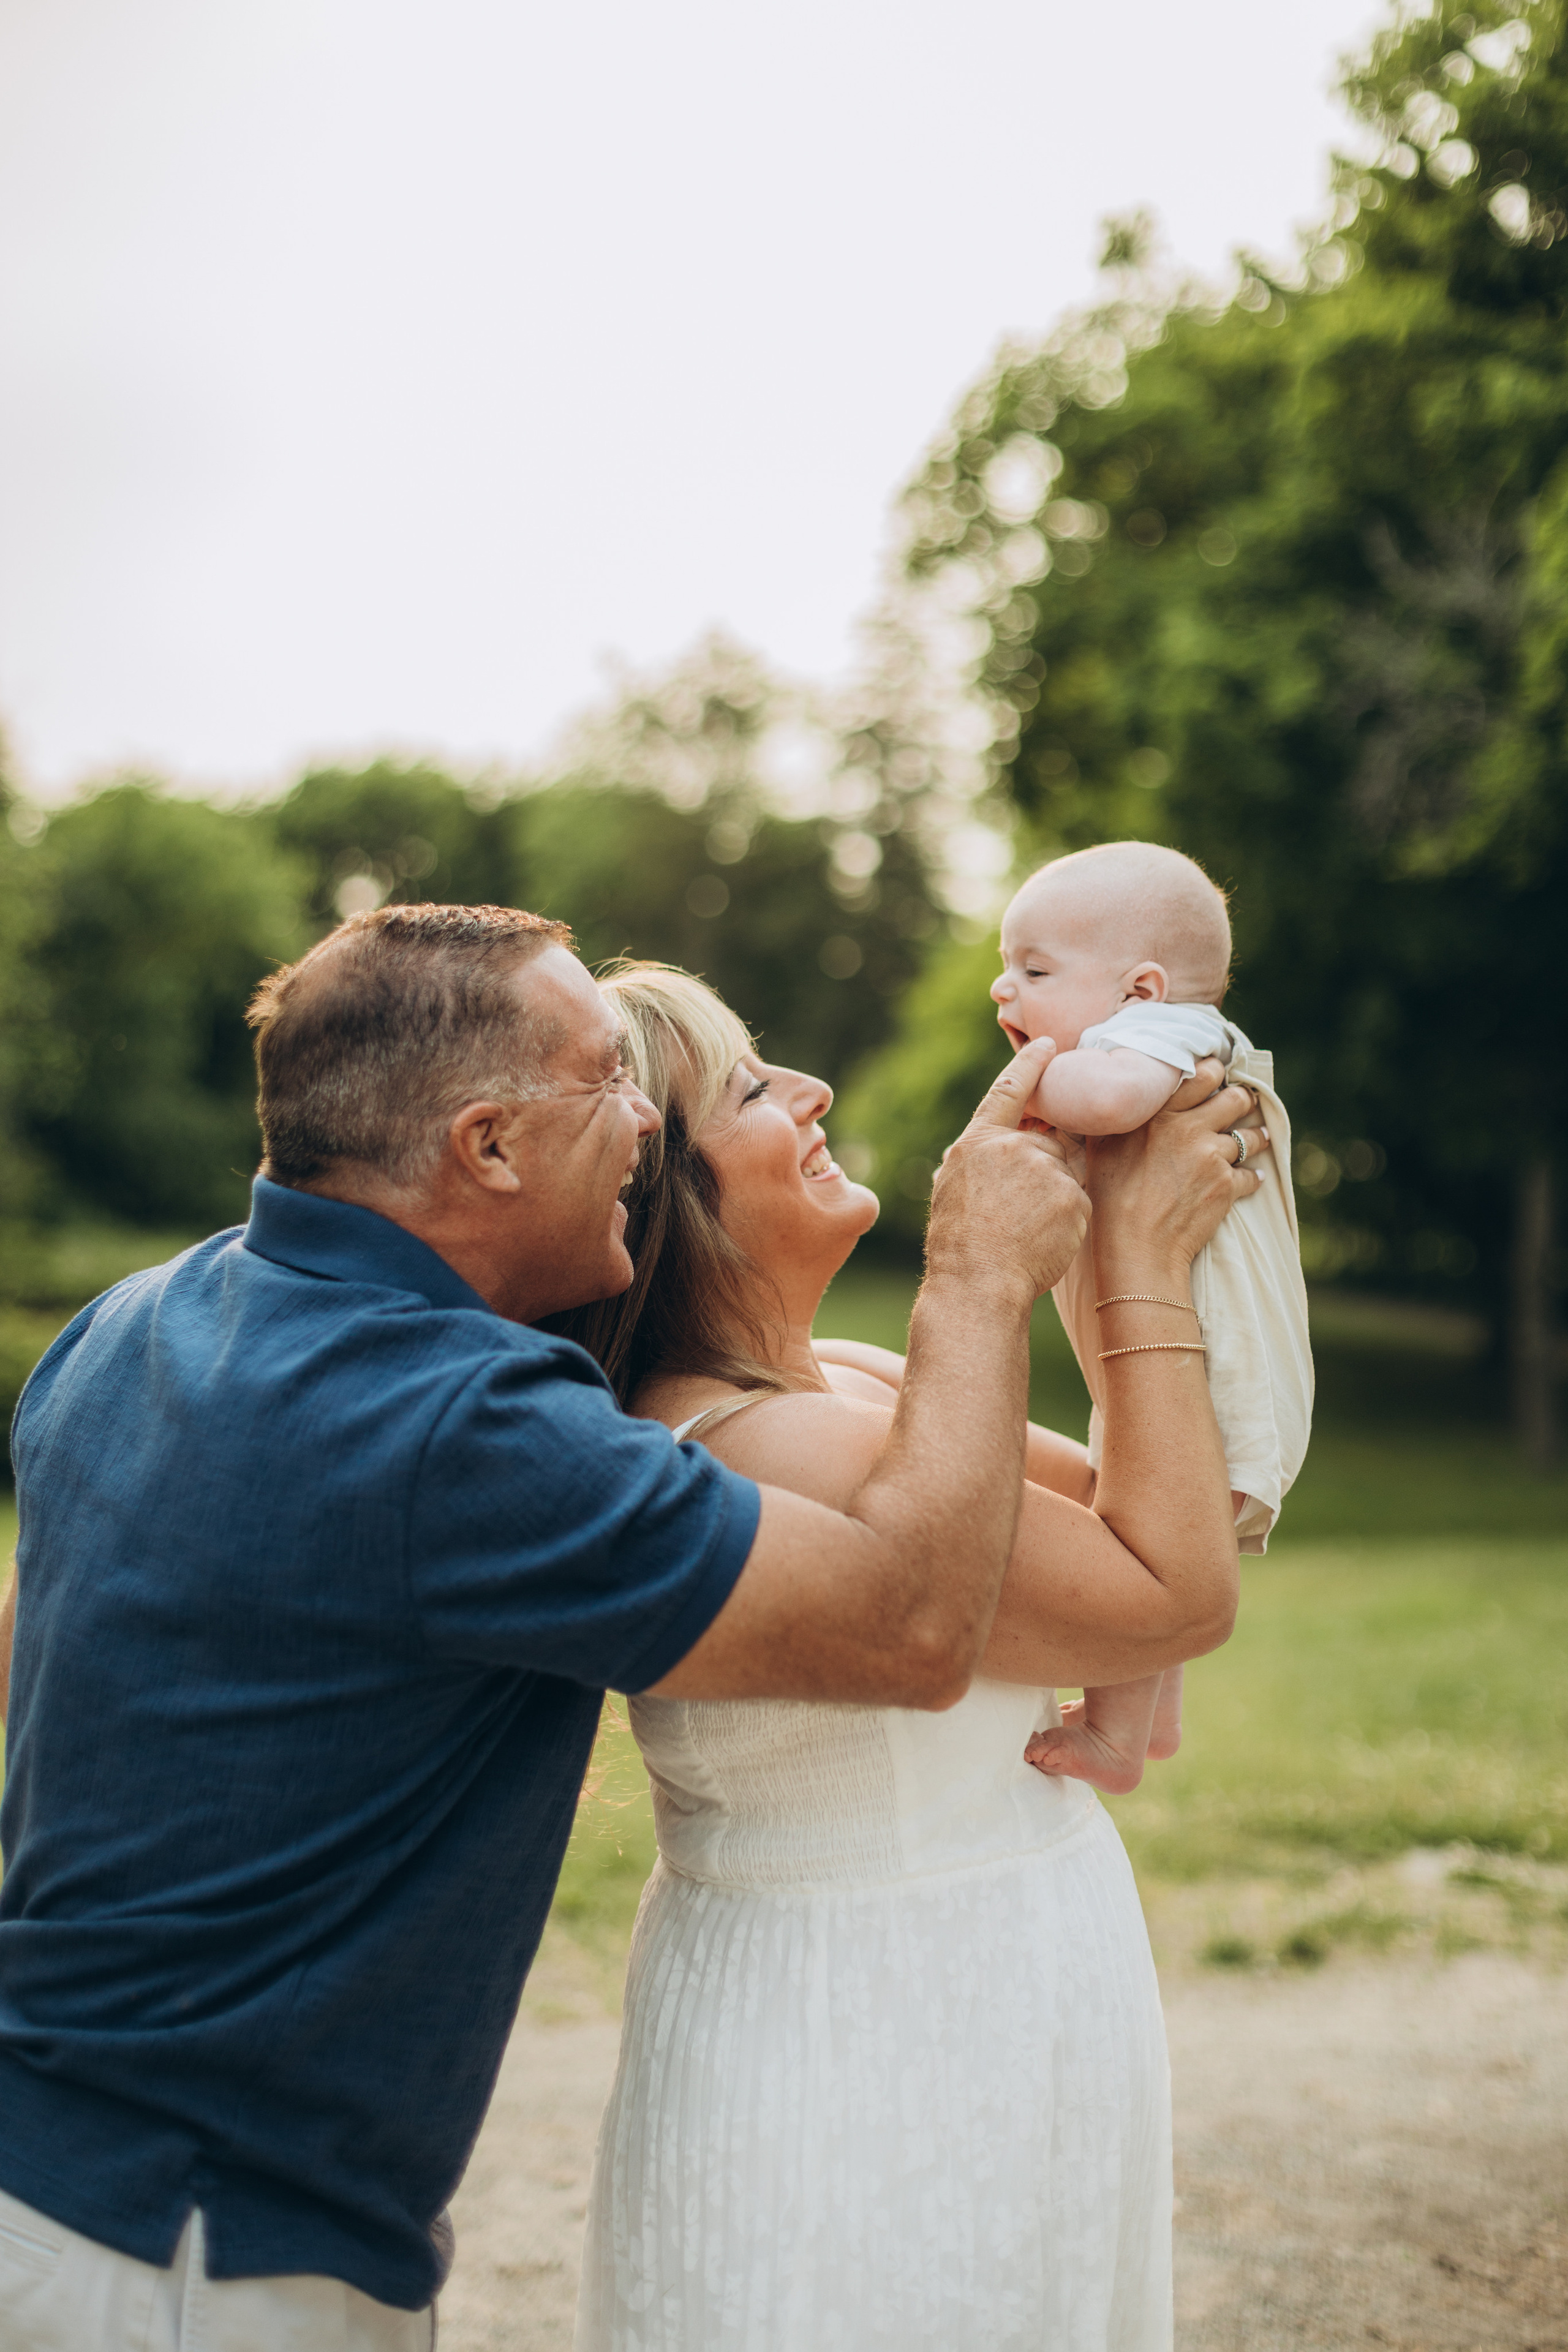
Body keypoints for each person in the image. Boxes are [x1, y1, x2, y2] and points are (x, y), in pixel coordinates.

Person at [0, 901, 1095, 2352]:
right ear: (490, 1146)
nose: (650, 1120)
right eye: (609, 1077)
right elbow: (909, 1627)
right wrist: (976, 1272)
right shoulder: (460, 1424)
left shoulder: (137, 1320)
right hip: (197, 2256)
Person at [557, 961, 1268, 2352]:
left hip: (989, 1981)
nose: (811, 1092)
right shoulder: (762, 1446)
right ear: (674, 1203)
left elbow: (1162, 1502)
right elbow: (1171, 1592)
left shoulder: (853, 1378)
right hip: (875, 2033)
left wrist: (1089, 1222)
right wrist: (1132, 1261)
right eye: (754, 1089)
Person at [989, 841, 1313, 1795]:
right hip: (1187, 1353)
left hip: (1204, 1366)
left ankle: (1119, 1735)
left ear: (1141, 988)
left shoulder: (1163, 1039)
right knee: (1158, 1533)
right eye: (1007, 970)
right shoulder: (1160, 1035)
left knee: (1143, 1538)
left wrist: (1023, 1087)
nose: (1004, 994)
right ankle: (1153, 1713)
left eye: (1035, 971)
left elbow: (1109, 1099)